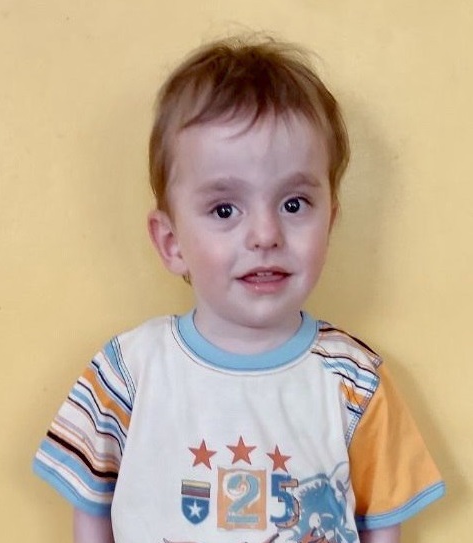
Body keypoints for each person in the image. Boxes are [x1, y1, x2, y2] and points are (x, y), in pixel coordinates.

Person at [33, 35, 445, 543]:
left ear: (330, 221)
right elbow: (90, 510)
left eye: (293, 204)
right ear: (171, 242)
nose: (265, 235)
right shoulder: (126, 373)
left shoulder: (355, 382)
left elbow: (383, 524)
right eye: (225, 209)